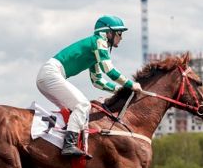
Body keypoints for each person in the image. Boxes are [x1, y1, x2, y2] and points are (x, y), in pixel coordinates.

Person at [36, 15, 142, 158]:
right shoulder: (99, 41)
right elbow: (109, 71)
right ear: (108, 33)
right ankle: (68, 145)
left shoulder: (95, 48)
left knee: (74, 112)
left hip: (48, 76)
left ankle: (59, 144)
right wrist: (130, 84)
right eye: (119, 33)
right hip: (51, 74)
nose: (121, 38)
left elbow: (97, 81)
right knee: (83, 105)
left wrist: (120, 90)